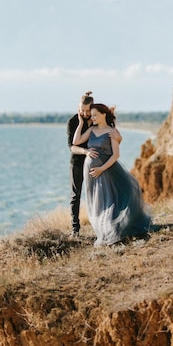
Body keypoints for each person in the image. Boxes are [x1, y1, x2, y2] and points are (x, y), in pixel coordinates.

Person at [73, 102, 151, 246]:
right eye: (92, 115)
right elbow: (76, 141)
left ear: (103, 115)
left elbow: (115, 155)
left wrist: (101, 169)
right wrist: (81, 122)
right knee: (96, 203)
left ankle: (112, 232)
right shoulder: (91, 130)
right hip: (90, 173)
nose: (93, 117)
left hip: (106, 170)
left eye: (95, 115)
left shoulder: (112, 132)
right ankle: (102, 232)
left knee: (108, 201)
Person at [66, 91, 122, 237]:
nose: (84, 113)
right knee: (75, 194)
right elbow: (72, 146)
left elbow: (113, 136)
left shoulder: (97, 118)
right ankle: (75, 229)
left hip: (99, 164)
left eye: (86, 110)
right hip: (78, 162)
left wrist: (119, 138)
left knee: (101, 195)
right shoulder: (73, 121)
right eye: (81, 110)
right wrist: (86, 152)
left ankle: (106, 224)